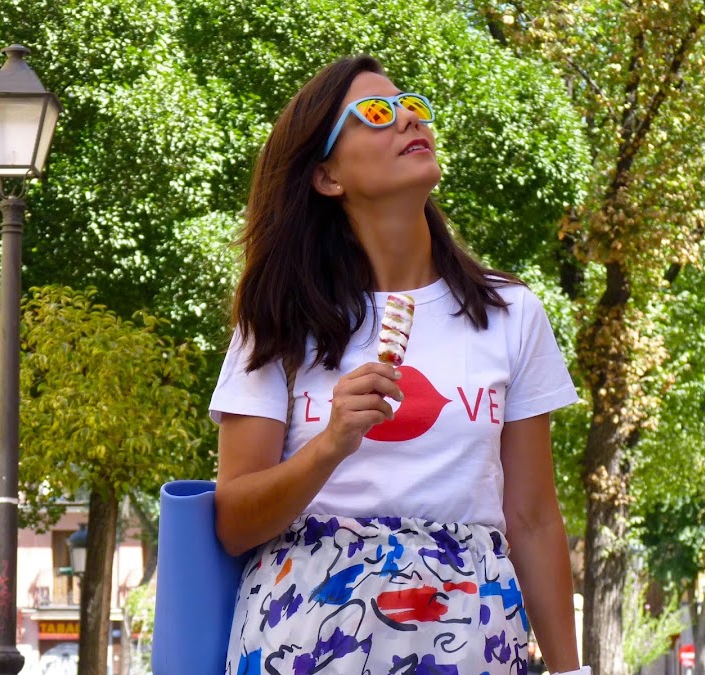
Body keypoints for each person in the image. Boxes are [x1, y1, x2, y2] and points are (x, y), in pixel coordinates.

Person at [209, 54, 587, 675]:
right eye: (375, 114)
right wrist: (330, 445)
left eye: (410, 106)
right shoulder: (280, 317)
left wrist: (572, 671)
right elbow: (233, 522)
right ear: (327, 175)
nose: (409, 118)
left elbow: (534, 519)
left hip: (471, 632)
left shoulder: (508, 312)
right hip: (309, 634)